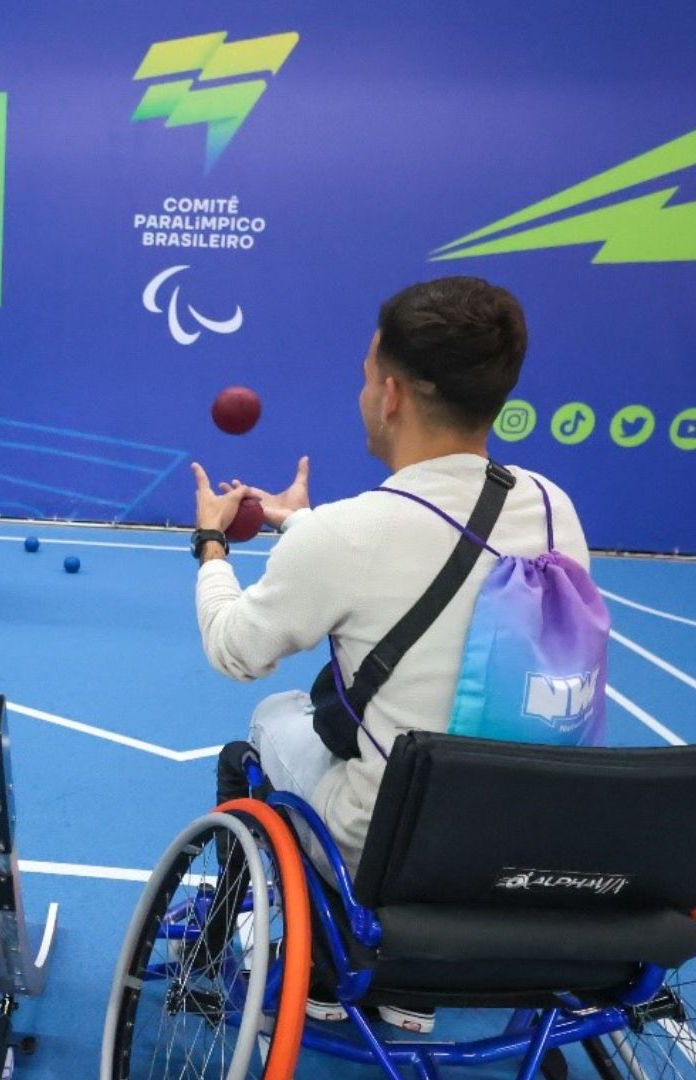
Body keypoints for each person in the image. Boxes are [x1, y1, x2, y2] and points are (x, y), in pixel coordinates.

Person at [188, 276, 590, 1030]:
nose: (363, 390)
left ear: (394, 392)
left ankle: (316, 960)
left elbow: (235, 649)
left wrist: (211, 546)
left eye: (367, 374)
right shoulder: (552, 505)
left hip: (390, 838)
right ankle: (413, 990)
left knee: (273, 717)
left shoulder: (345, 534)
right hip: (530, 828)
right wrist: (299, 530)